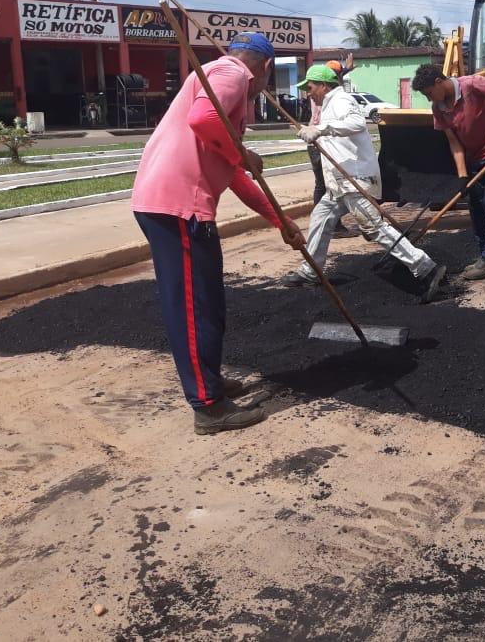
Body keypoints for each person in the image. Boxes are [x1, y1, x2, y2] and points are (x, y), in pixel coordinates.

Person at [132, 32, 306, 435]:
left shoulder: (221, 82)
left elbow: (234, 175)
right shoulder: (232, 73)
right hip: (175, 206)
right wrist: (242, 152)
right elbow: (203, 120)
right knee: (193, 309)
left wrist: (283, 223)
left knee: (208, 302)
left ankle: (209, 381)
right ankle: (208, 407)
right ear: (264, 68)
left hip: (176, 205)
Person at [282, 64, 447, 301]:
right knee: (321, 218)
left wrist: (321, 130)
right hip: (339, 183)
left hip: (354, 179)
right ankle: (311, 270)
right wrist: (316, 132)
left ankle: (425, 267)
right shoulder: (327, 105)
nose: (308, 93)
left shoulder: (341, 100)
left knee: (374, 228)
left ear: (324, 86)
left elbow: (357, 124)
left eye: (310, 87)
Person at [412, 63, 485, 280]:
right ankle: (483, 256)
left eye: (429, 93)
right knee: (476, 206)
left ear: (438, 82)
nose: (429, 99)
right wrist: (462, 176)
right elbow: (455, 143)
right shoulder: (438, 109)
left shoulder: (471, 85)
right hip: (472, 159)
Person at [306, 57, 358, 237]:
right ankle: (332, 226)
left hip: (319, 139)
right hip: (320, 140)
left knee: (324, 184)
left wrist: (346, 69)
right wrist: (346, 70)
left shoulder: (325, 91)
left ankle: (329, 224)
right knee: (326, 184)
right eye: (337, 75)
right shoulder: (326, 96)